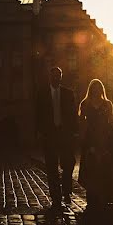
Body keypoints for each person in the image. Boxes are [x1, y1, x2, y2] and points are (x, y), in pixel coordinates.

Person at [36, 67, 78, 212]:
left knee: (68, 164)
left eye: (58, 75)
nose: (56, 78)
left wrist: (74, 132)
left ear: (61, 77)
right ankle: (56, 197)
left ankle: (66, 191)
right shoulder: (42, 94)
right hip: (50, 135)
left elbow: (73, 114)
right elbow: (38, 114)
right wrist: (40, 132)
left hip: (65, 135)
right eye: (53, 76)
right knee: (51, 168)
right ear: (50, 77)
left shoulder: (68, 93)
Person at [77, 79, 113, 209]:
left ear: (101, 89)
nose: (96, 90)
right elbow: (82, 122)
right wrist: (82, 138)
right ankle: (91, 195)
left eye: (99, 87)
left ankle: (104, 194)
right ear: (91, 89)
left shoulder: (107, 104)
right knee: (91, 167)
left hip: (105, 138)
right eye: (94, 88)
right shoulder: (85, 103)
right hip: (90, 138)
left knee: (104, 167)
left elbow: (111, 121)